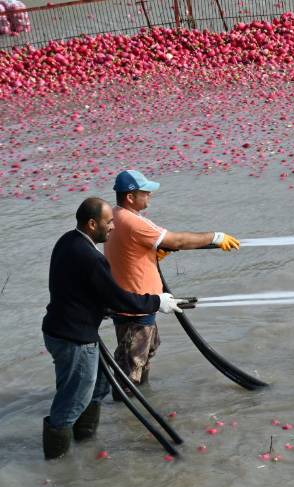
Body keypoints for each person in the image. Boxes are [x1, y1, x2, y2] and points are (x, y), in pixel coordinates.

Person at [41, 197, 184, 460]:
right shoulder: (91, 258)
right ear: (92, 223)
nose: (113, 228)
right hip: (74, 339)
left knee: (98, 387)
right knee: (72, 401)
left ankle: (85, 443)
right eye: (108, 223)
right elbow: (117, 298)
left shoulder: (66, 241)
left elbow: (77, 290)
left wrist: (100, 308)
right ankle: (56, 465)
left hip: (60, 330)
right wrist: (157, 301)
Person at [106, 170, 240, 387]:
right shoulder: (133, 222)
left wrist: (152, 254)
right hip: (135, 308)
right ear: (130, 197)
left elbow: (129, 252)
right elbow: (176, 241)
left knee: (140, 361)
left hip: (137, 304)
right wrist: (215, 237)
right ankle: (130, 411)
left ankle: (131, 414)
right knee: (129, 374)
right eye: (145, 192)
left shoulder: (116, 216)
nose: (150, 195)